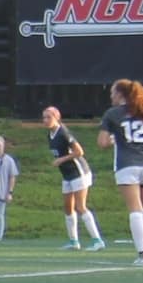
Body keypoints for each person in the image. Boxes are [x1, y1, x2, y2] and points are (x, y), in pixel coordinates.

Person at [98, 78, 143, 267]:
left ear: (120, 94)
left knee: (135, 208)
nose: (111, 96)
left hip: (126, 165)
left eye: (113, 92)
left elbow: (102, 143)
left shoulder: (112, 114)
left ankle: (142, 252)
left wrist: (113, 140)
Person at [42, 105, 104, 251]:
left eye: (48, 117)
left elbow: (79, 151)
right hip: (67, 175)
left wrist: (61, 160)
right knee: (68, 208)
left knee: (80, 206)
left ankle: (97, 240)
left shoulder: (63, 132)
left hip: (79, 172)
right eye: (43, 117)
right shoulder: (49, 134)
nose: (45, 120)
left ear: (57, 117)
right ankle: (74, 241)